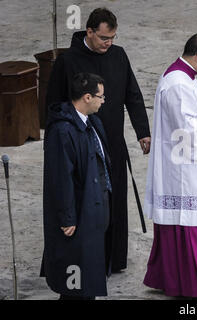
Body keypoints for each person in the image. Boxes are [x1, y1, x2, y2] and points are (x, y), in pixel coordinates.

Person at [46, 8, 151, 273]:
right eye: (104, 37)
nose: (109, 43)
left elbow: (133, 94)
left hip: (113, 141)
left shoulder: (118, 55)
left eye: (113, 37)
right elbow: (53, 105)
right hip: (80, 143)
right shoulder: (67, 62)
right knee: (88, 202)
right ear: (89, 32)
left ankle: (114, 259)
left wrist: (142, 131)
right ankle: (89, 262)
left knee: (114, 201)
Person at [142, 33, 197, 300]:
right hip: (183, 169)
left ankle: (168, 278)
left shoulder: (185, 76)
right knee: (190, 226)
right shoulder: (178, 84)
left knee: (180, 228)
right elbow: (188, 133)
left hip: (185, 165)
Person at [41, 72, 112, 300]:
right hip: (80, 212)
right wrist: (67, 216)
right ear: (87, 97)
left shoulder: (93, 122)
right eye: (101, 96)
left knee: (88, 271)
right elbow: (61, 178)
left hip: (95, 207)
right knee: (76, 277)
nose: (104, 101)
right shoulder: (63, 130)